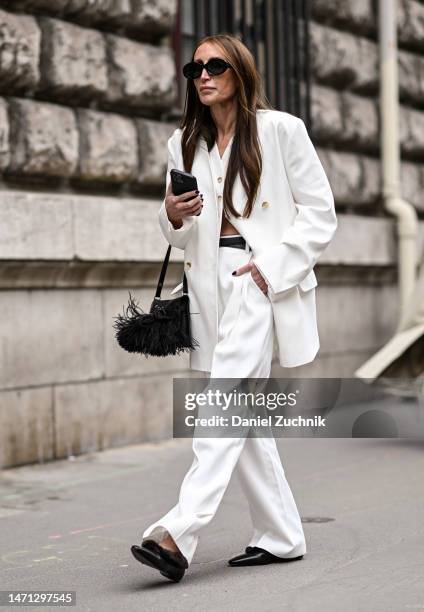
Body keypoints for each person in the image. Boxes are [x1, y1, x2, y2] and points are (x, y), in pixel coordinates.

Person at [131, 33, 337, 582]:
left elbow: (320, 215)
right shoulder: (185, 143)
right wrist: (172, 214)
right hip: (206, 285)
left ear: (240, 72)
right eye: (193, 67)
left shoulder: (282, 131)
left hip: (257, 278)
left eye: (215, 65)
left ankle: (179, 532)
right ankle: (282, 535)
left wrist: (273, 268)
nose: (203, 74)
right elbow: (180, 237)